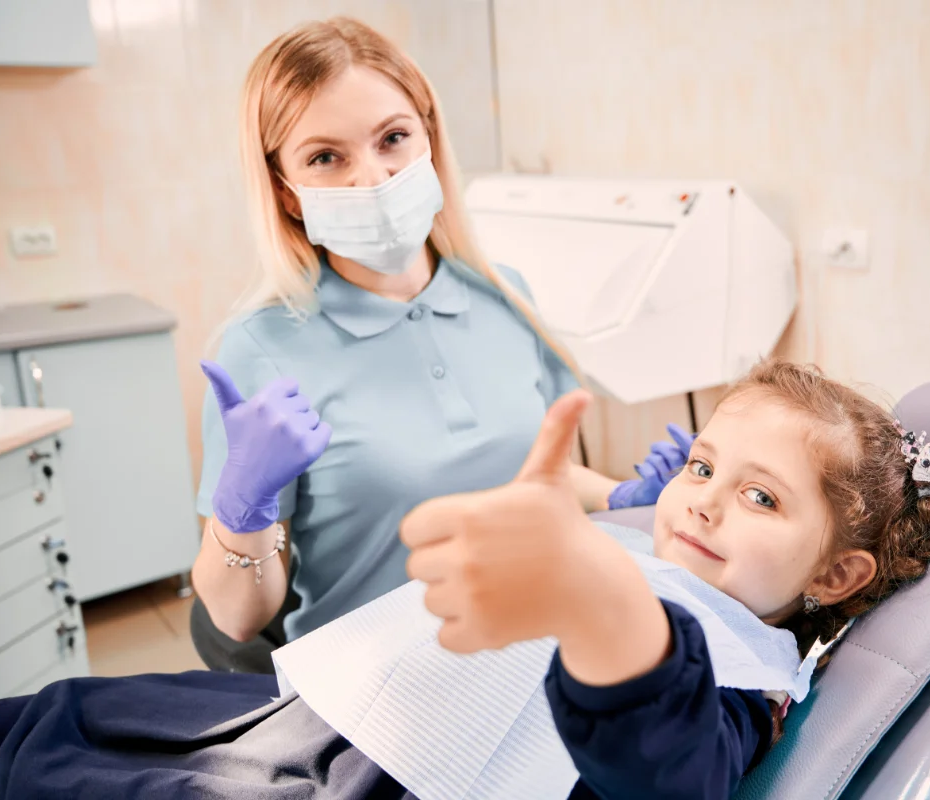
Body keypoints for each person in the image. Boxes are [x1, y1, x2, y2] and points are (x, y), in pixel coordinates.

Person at [0, 360, 930, 799]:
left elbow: (667, 767)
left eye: (763, 498)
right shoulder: (651, 542)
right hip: (319, 718)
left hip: (364, 777)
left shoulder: (746, 672)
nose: (704, 500)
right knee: (56, 711)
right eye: (703, 466)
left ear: (840, 571)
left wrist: (599, 598)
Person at [188, 17, 692, 671]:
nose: (371, 177)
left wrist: (621, 497)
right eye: (325, 157)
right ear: (286, 191)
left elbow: (534, 475)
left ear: (429, 138)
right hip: (380, 681)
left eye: (393, 138)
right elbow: (235, 620)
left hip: (529, 644)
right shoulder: (261, 347)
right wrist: (242, 509)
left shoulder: (504, 296)